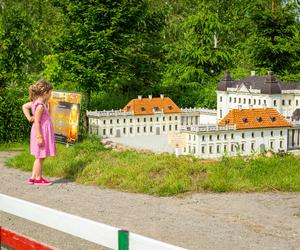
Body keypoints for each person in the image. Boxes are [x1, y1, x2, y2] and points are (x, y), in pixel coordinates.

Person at [22, 79, 56, 185]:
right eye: (50, 93)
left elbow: (24, 106)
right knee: (40, 156)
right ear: (46, 93)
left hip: (40, 132)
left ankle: (32, 177)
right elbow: (37, 121)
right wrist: (40, 137)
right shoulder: (40, 106)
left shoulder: (37, 103)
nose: (51, 95)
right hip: (40, 133)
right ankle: (38, 178)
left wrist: (29, 117)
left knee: (39, 155)